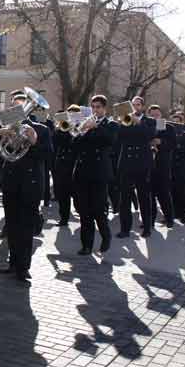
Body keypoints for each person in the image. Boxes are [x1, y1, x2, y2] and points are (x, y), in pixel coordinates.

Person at [0, 92, 50, 283]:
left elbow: (47, 155)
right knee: (11, 225)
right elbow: (0, 153)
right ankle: (12, 262)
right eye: (14, 106)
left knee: (26, 227)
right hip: (11, 182)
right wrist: (2, 136)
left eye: (22, 105)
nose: (17, 109)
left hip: (30, 184)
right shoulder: (7, 127)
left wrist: (34, 141)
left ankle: (23, 267)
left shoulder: (41, 129)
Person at [73, 95, 117, 255]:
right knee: (84, 211)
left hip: (100, 173)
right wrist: (81, 131)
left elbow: (110, 140)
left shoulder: (111, 124)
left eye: (98, 107)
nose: (95, 110)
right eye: (93, 107)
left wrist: (95, 127)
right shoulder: (86, 124)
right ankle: (86, 245)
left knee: (98, 209)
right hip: (83, 172)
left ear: (104, 108)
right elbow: (74, 145)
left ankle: (106, 236)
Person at [116, 96, 155, 238]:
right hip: (127, 162)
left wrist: (138, 122)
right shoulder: (126, 120)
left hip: (142, 163)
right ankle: (125, 229)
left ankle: (147, 227)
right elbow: (119, 137)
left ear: (142, 106)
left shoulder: (149, 121)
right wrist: (121, 122)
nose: (135, 107)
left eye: (138, 105)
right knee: (124, 198)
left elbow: (150, 135)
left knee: (144, 197)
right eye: (133, 105)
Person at [148, 105, 175, 228]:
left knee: (164, 194)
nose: (154, 117)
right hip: (148, 166)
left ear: (161, 115)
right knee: (150, 196)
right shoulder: (146, 126)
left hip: (163, 165)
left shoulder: (168, 127)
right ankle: (150, 220)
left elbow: (173, 144)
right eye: (152, 115)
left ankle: (169, 218)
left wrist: (161, 142)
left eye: (156, 115)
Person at [53, 105, 81, 225]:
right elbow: (56, 142)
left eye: (74, 115)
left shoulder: (82, 127)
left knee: (77, 194)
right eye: (70, 115)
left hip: (76, 164)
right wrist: (59, 129)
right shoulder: (62, 126)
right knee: (63, 193)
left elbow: (78, 144)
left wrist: (74, 130)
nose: (72, 117)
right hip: (62, 164)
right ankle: (63, 218)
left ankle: (81, 212)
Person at [170, 113, 185, 223]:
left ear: (181, 122)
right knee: (172, 189)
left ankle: (183, 213)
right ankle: (173, 213)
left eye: (177, 122)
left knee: (183, 190)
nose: (175, 124)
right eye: (173, 122)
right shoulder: (169, 134)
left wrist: (179, 148)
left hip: (183, 165)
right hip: (171, 165)